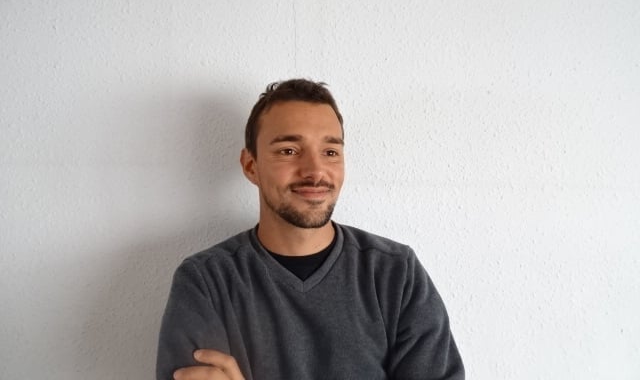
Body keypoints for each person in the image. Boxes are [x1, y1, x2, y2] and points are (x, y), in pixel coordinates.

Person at [156, 79, 465, 380]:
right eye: (289, 151)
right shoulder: (206, 282)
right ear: (251, 166)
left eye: (330, 152)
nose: (315, 171)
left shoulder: (395, 274)